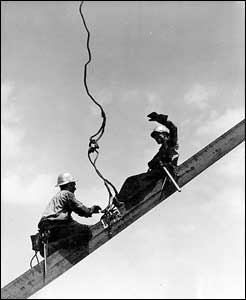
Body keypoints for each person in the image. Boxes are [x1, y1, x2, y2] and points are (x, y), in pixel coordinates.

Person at [113, 112, 179, 210]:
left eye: (158, 136)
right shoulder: (162, 149)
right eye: (155, 138)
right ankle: (122, 200)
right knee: (132, 181)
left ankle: (121, 200)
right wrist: (153, 163)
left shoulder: (171, 143)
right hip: (158, 171)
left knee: (135, 182)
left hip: (165, 171)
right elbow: (153, 162)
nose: (156, 139)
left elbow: (174, 129)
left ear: (165, 135)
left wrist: (161, 119)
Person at [38, 173, 102, 257]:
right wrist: (91, 210)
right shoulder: (67, 194)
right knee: (85, 232)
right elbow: (80, 209)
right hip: (54, 225)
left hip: (48, 226)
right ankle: (51, 247)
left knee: (82, 229)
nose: (75, 188)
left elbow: (70, 223)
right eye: (73, 185)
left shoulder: (59, 197)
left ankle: (51, 245)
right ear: (68, 185)